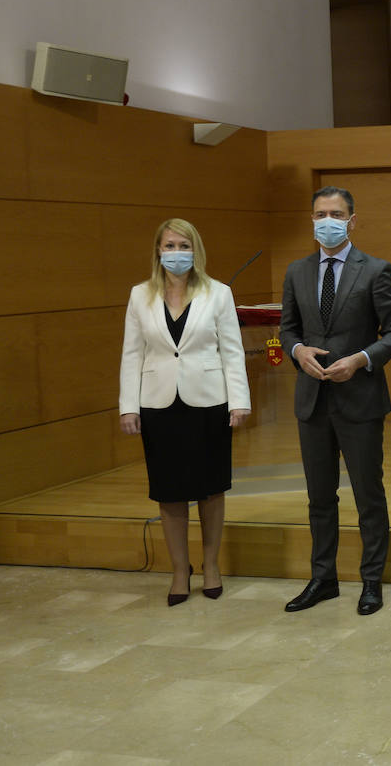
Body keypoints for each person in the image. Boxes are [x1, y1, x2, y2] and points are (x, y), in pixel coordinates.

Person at [279, 186, 391, 617]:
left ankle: (371, 580)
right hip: (312, 400)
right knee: (319, 496)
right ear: (311, 218)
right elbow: (289, 330)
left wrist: (361, 359)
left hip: (360, 398)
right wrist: (297, 352)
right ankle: (324, 578)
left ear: (352, 220)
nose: (327, 220)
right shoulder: (297, 272)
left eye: (336, 213)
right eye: (320, 213)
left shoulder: (375, 269)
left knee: (368, 494)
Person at [119, 219, 250, 606]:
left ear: (197, 249)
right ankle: (180, 571)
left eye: (184, 245)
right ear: (158, 251)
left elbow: (232, 351)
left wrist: (239, 400)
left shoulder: (218, 293)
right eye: (170, 245)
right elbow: (131, 354)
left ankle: (211, 565)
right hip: (158, 404)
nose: (177, 252)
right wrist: (128, 406)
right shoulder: (139, 295)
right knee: (169, 492)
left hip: (209, 401)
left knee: (211, 489)